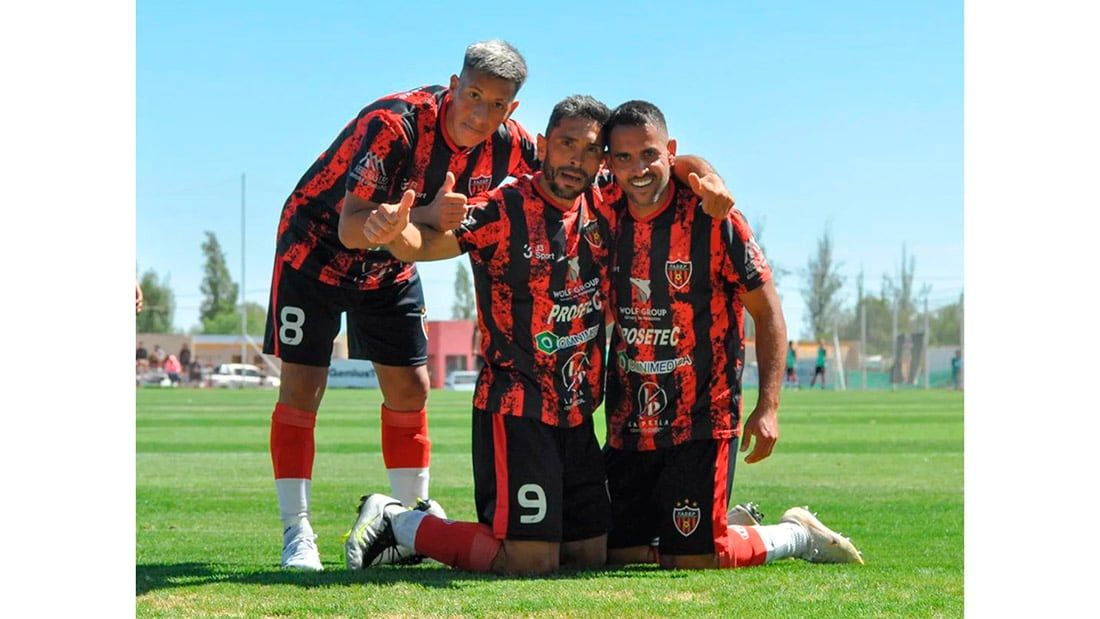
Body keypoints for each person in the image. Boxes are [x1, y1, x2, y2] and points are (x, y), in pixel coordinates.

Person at [345, 94, 736, 574]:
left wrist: (706, 174)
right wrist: (393, 230)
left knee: (588, 556)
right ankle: (401, 523)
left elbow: (668, 164)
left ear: (603, 161)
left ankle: (710, 534)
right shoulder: (504, 207)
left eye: (591, 150)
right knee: (530, 561)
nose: (577, 159)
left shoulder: (606, 200)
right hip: (517, 407)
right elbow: (426, 246)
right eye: (567, 144)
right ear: (545, 145)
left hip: (577, 414)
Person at [260, 40, 543, 571]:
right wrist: (420, 217)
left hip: (389, 262)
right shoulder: (394, 124)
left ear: (512, 110)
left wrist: (684, 168)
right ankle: (297, 532)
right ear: (453, 85)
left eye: (496, 104)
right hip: (312, 250)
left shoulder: (513, 143)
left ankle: (408, 519)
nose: (480, 114)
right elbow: (349, 227)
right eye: (473, 95)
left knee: (411, 388)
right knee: (302, 387)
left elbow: (576, 164)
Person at [598, 100, 861, 570]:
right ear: (609, 162)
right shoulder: (602, 209)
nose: (638, 169)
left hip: (702, 417)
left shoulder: (713, 217)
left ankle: (793, 534)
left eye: (650, 155)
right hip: (629, 421)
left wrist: (769, 407)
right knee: (611, 554)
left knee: (691, 563)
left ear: (670, 153)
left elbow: (768, 310)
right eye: (623, 157)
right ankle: (723, 522)